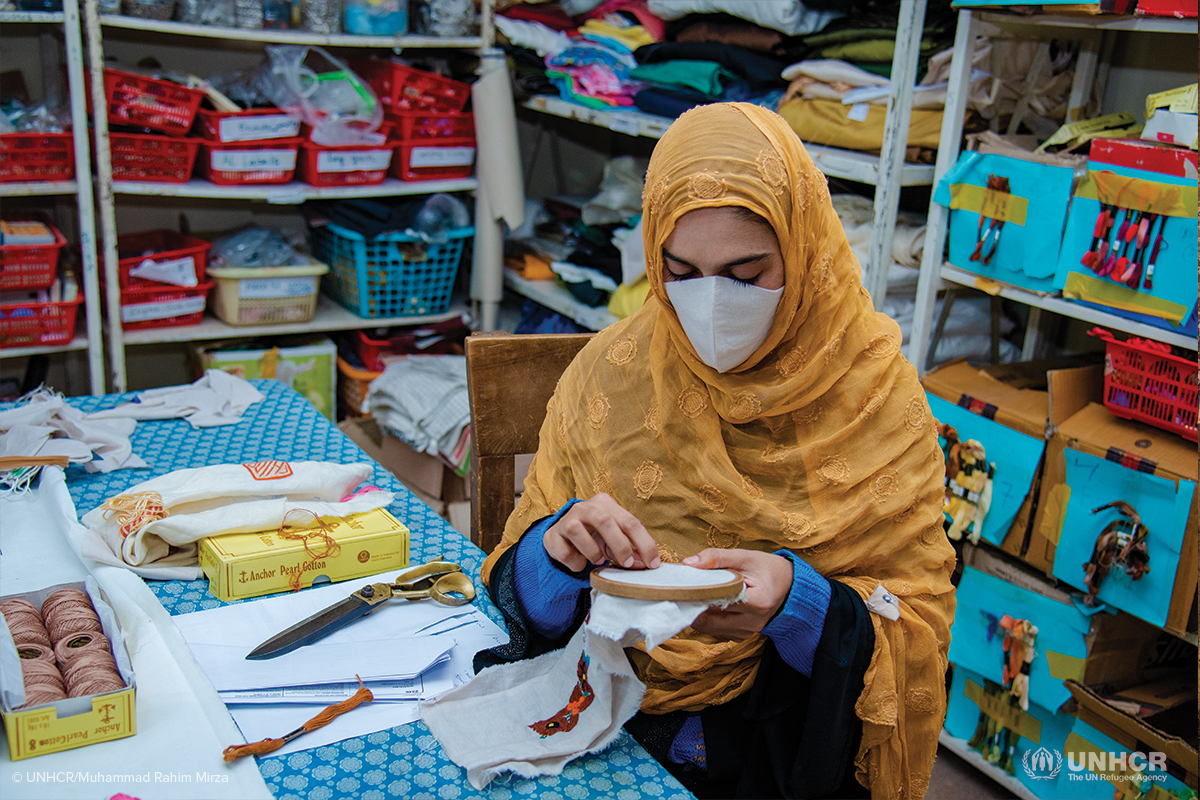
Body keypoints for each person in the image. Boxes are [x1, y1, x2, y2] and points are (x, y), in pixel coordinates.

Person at [478, 102, 956, 800]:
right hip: (598, 720)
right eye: (680, 271)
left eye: (746, 273)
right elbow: (522, 594)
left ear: (803, 248)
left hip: (774, 750)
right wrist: (558, 552)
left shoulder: (875, 396)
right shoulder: (611, 373)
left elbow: (911, 617)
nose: (710, 305)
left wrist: (801, 604)